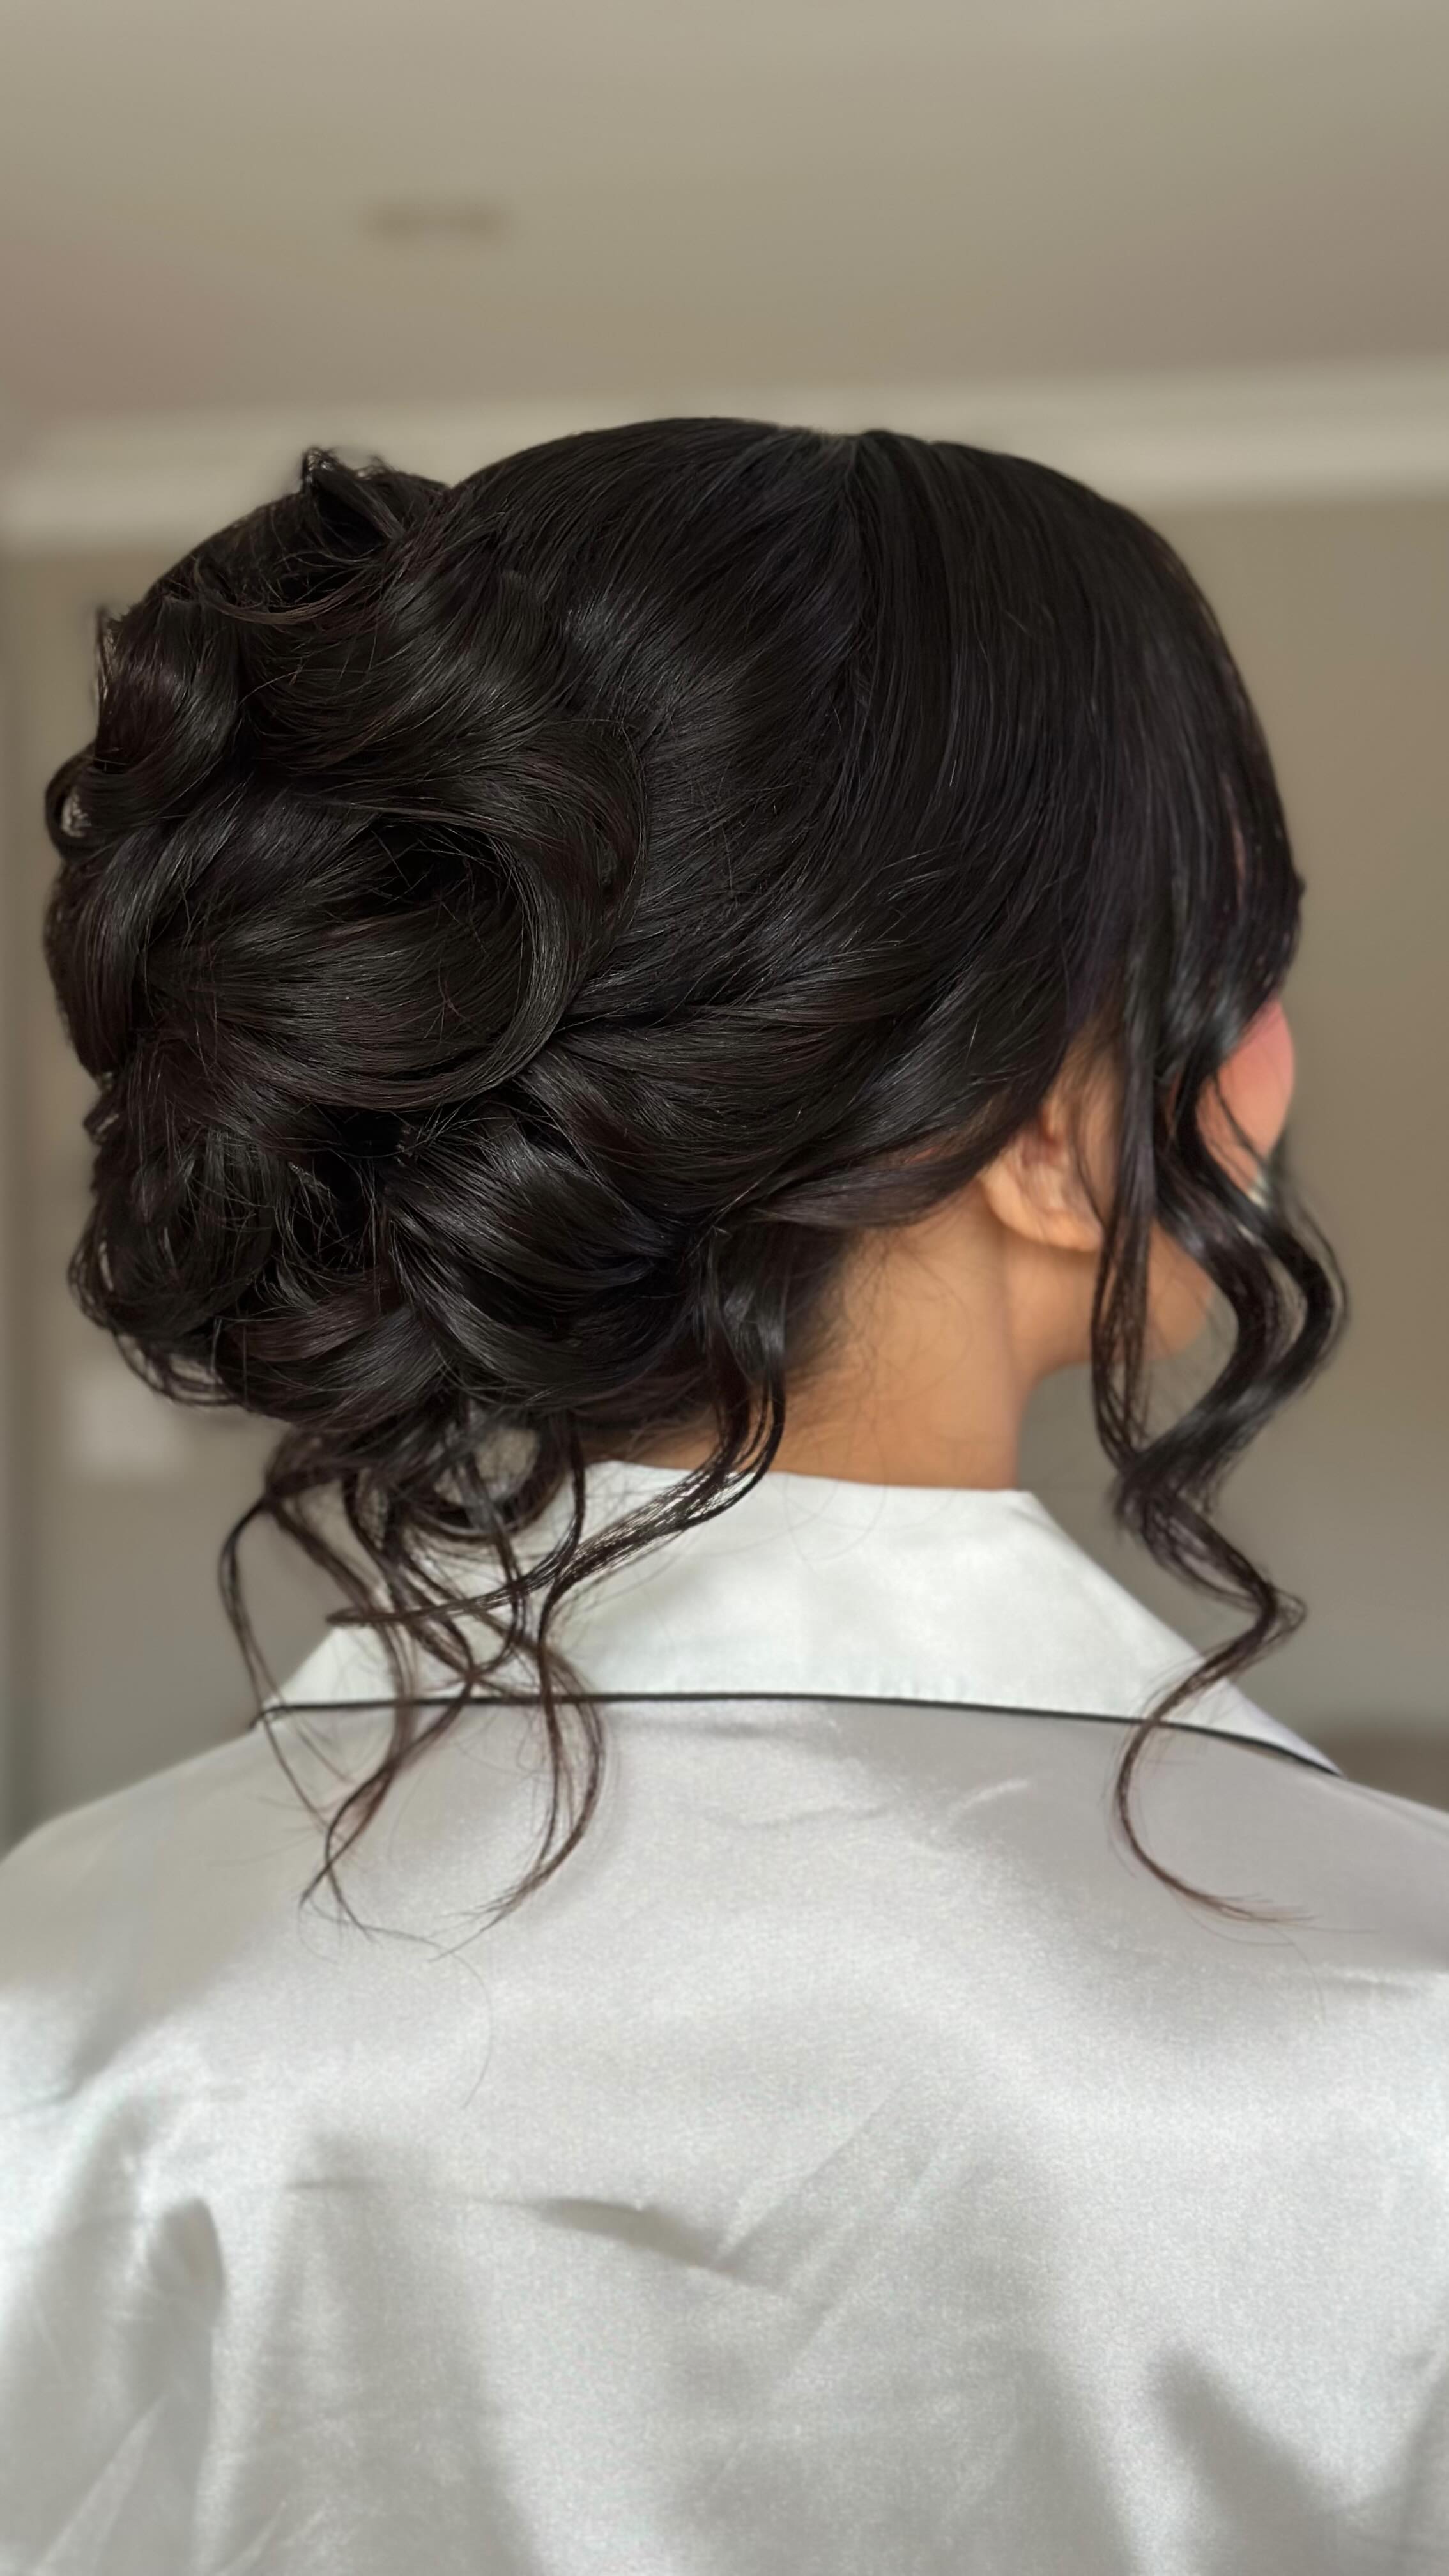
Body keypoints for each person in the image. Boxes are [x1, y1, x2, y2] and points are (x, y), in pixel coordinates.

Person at [1, 420, 1445, 2575]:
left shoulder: (60, 1999)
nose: (1270, 1060)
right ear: (1050, 1123)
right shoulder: (1398, 2018)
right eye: (1238, 961)